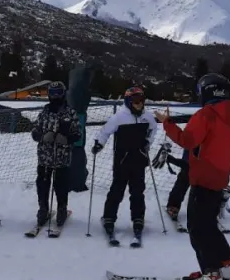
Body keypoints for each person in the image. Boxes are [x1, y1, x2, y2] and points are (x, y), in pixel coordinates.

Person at [155, 73, 230, 280]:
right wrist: (222, 171)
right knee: (209, 225)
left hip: (202, 180)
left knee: (197, 228)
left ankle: (212, 277)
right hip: (218, 181)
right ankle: (225, 266)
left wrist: (167, 124)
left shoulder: (205, 115)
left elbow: (188, 141)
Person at [92, 85, 159, 239]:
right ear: (128, 101)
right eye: (135, 100)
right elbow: (105, 131)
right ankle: (109, 217)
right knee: (117, 190)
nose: (139, 103)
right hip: (121, 161)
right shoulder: (119, 117)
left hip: (139, 160)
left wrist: (147, 143)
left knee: (137, 192)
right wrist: (99, 144)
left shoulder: (147, 117)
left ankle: (138, 218)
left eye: (141, 100)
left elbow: (154, 129)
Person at [30, 81, 82, 228]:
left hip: (62, 157)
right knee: (43, 184)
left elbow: (78, 134)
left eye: (58, 93)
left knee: (61, 185)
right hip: (45, 157)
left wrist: (66, 139)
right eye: (52, 93)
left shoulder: (70, 113)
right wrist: (41, 136)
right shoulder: (44, 112)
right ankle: (43, 208)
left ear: (63, 93)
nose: (55, 96)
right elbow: (34, 131)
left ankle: (61, 208)